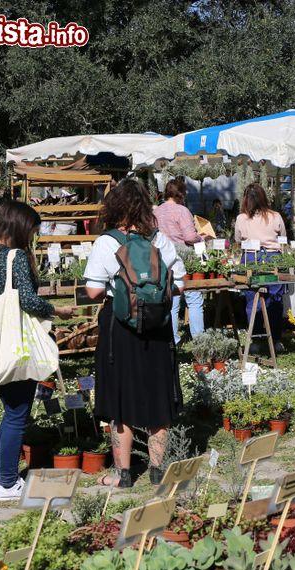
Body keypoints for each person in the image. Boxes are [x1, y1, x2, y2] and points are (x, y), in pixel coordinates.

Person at [84, 179, 186, 488]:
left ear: (114, 207)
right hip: (157, 326)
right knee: (159, 395)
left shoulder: (107, 242)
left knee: (120, 398)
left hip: (121, 329)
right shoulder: (159, 240)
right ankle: (157, 470)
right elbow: (180, 283)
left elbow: (93, 290)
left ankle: (123, 474)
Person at [0, 201, 74, 501]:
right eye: (32, 229)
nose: (33, 236)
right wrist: (57, 310)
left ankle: (3, 477)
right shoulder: (16, 257)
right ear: (19, 226)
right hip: (17, 342)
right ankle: (6, 483)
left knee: (11, 412)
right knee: (18, 414)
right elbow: (28, 301)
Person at [234, 183, 288, 353]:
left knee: (253, 298)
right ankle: (276, 340)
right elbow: (283, 238)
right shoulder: (275, 216)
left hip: (251, 258)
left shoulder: (242, 218)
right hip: (272, 259)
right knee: (275, 299)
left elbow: (237, 239)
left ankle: (255, 340)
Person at [155, 178, 208, 345]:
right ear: (181, 194)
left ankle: (173, 339)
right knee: (193, 297)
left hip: (162, 257)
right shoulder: (182, 210)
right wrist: (202, 236)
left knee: (171, 299)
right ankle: (199, 338)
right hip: (183, 256)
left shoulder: (156, 211)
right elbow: (190, 237)